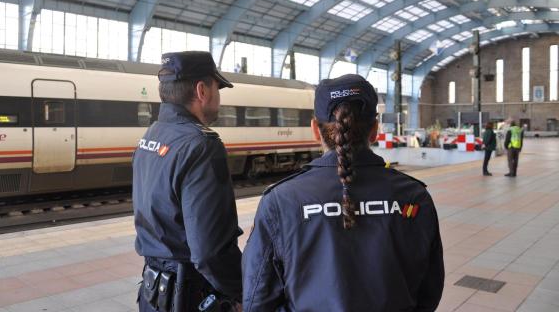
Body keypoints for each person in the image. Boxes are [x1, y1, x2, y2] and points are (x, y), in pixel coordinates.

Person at [242, 74, 444, 311]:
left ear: (315, 130)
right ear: (375, 129)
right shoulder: (414, 197)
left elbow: (257, 297)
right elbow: (429, 291)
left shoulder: (280, 200)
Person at [134, 51, 242, 312]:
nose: (219, 97)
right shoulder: (202, 145)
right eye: (218, 88)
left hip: (154, 292)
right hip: (191, 296)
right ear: (202, 90)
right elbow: (210, 251)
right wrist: (243, 292)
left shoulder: (152, 135)